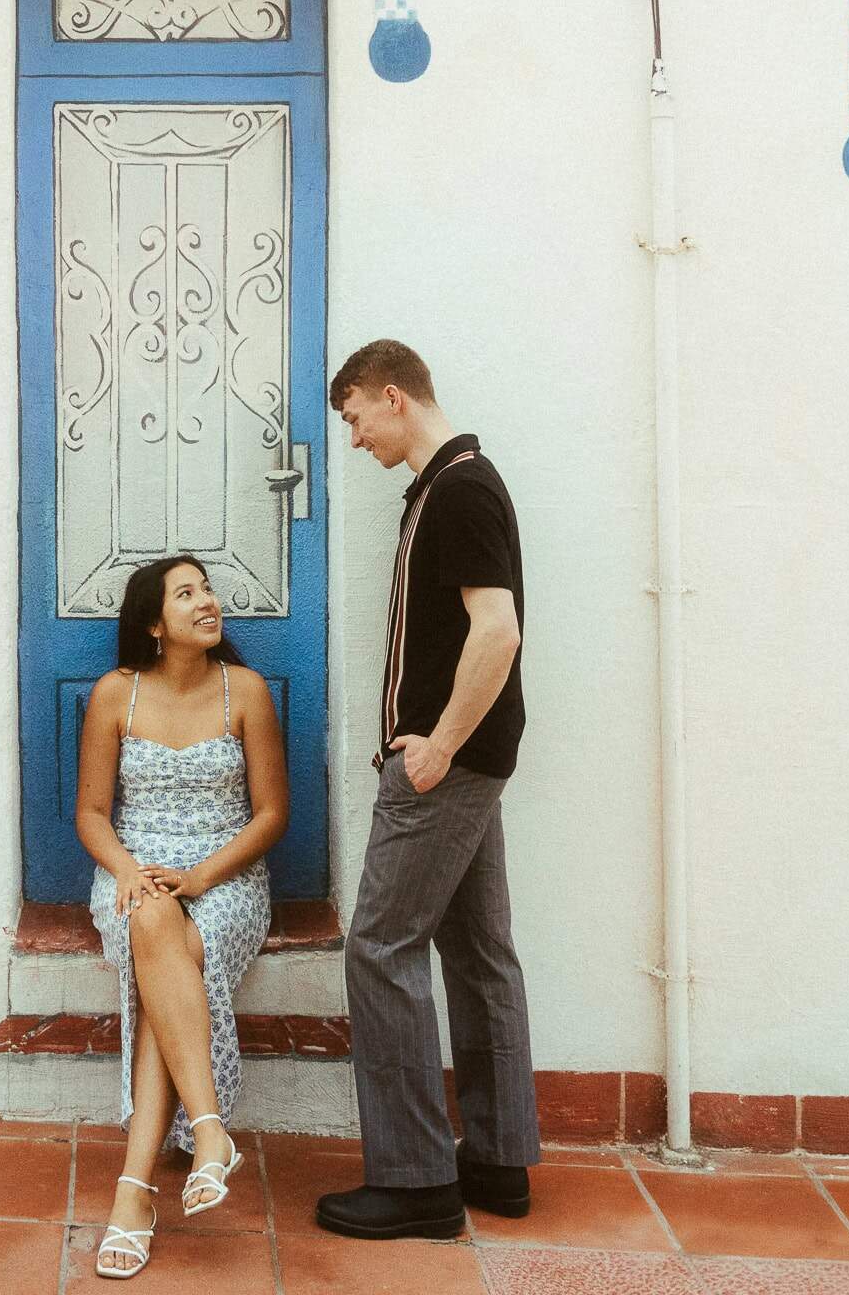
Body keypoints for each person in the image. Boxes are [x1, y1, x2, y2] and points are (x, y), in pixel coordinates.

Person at [316, 339, 540, 1240]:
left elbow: (497, 631)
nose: (355, 436)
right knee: (480, 953)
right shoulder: (445, 488)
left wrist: (436, 748)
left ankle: (414, 1182)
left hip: (445, 767)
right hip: (467, 765)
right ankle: (495, 1160)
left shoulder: (459, 489)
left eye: (355, 417)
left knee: (378, 948)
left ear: (393, 396)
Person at [76, 554, 289, 1279]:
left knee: (165, 947)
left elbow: (270, 815)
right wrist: (131, 872)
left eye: (208, 590)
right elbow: (93, 815)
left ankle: (133, 1194)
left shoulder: (246, 691)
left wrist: (199, 875)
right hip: (133, 871)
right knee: (150, 923)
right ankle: (206, 1131)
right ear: (153, 624)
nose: (208, 603)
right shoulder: (115, 694)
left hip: (224, 875)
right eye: (187, 594)